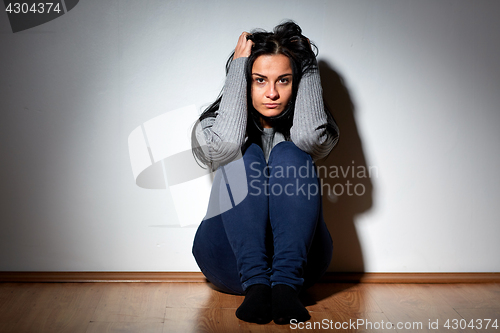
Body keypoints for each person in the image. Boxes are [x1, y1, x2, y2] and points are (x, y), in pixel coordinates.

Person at [191, 21, 339, 325]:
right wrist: (238, 67)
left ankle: (284, 287)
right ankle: (256, 285)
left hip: (301, 267)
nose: (271, 93)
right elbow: (224, 147)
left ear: (296, 83)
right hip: (228, 262)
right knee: (242, 153)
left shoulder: (316, 127)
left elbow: (310, 139)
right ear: (245, 81)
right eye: (259, 80)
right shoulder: (212, 126)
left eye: (283, 80)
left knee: (290, 152)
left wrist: (306, 61)